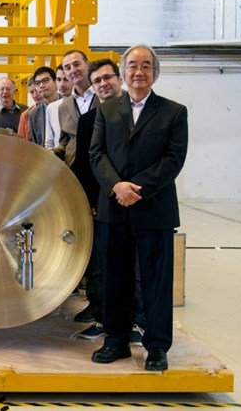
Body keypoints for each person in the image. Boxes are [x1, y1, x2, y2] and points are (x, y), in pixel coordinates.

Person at [89, 44, 188, 372]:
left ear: (154, 73)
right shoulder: (106, 110)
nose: (139, 72)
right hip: (114, 208)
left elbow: (173, 159)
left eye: (146, 66)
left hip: (154, 209)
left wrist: (137, 189)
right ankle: (115, 340)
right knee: (114, 278)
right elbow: (97, 154)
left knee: (155, 281)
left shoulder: (174, 111)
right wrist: (116, 186)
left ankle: (157, 347)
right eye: (132, 65)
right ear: (123, 73)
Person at [70, 59, 143, 341]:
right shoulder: (89, 120)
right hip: (103, 201)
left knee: (135, 267)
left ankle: (137, 323)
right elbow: (87, 164)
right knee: (103, 265)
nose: (103, 84)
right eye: (97, 80)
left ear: (120, 79)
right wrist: (86, 199)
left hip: (135, 198)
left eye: (107, 78)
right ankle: (103, 320)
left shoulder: (140, 114)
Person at [53, 50, 96, 166]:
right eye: (67, 68)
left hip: (104, 172)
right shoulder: (64, 107)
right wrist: (47, 153)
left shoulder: (106, 98)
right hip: (76, 172)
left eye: (77, 64)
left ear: (88, 64)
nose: (73, 70)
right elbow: (64, 144)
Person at [27, 66, 58, 145]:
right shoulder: (33, 115)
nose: (41, 86)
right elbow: (35, 145)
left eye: (45, 80)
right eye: (37, 83)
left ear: (55, 82)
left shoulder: (68, 105)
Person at [44, 65, 72, 149]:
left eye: (66, 79)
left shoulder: (82, 105)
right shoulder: (52, 108)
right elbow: (49, 142)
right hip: (58, 159)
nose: (61, 84)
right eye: (59, 79)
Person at [17, 75, 42, 141]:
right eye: (32, 92)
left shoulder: (54, 109)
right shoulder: (25, 115)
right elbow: (21, 141)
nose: (35, 95)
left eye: (37, 91)